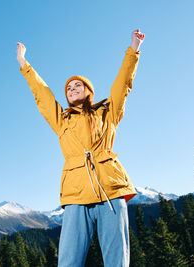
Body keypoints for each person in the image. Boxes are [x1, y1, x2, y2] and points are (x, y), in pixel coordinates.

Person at [16, 29, 145, 267]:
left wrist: (134, 49)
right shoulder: (61, 120)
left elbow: (123, 84)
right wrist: (25, 65)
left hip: (111, 191)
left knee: (117, 259)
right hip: (76, 194)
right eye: (68, 88)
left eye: (78, 85)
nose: (72, 89)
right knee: (69, 261)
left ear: (88, 91)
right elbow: (42, 96)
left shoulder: (108, 113)